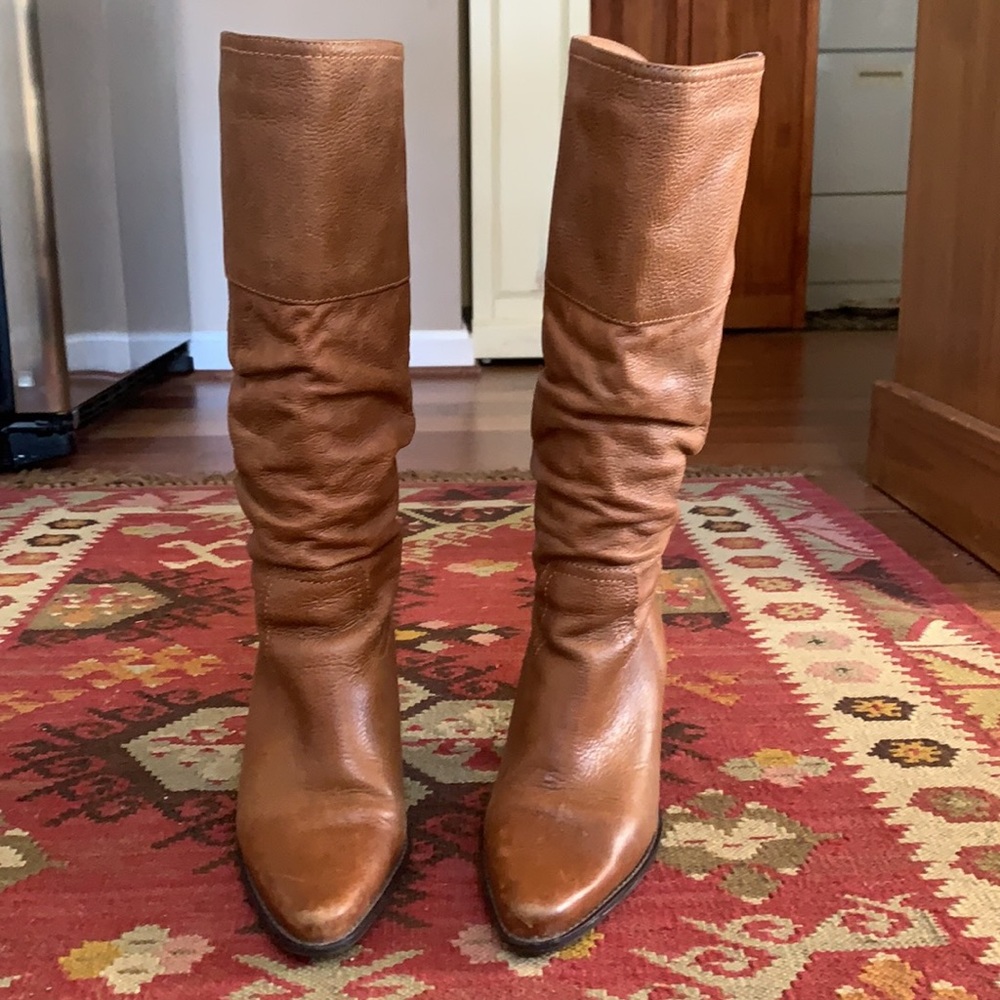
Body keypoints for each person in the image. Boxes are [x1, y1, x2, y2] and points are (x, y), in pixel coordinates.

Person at [219, 30, 763, 958]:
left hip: (596, 625)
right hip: (313, 631)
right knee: (307, 380)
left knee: (627, 386)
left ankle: (598, 648)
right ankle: (318, 658)